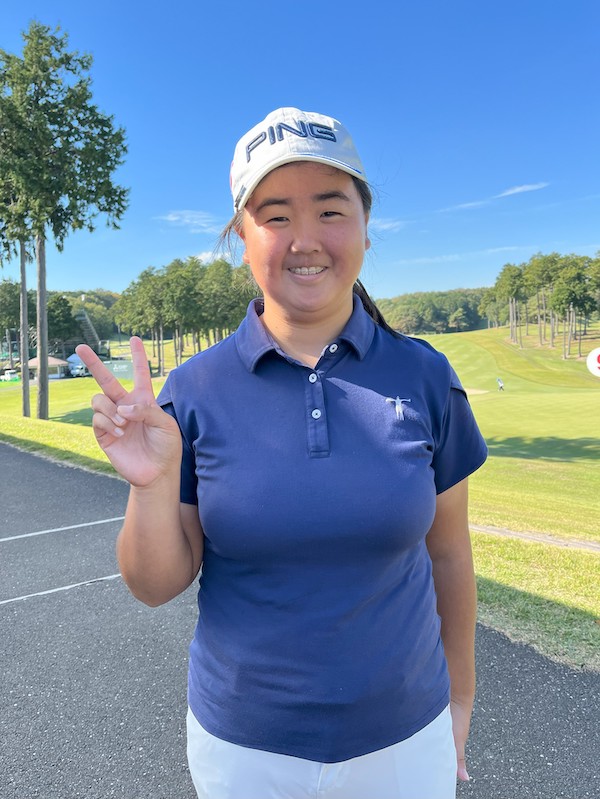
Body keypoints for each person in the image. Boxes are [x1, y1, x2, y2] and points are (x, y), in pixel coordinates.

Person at [77, 107, 487, 799]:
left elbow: (448, 553)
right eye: (275, 216)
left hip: (406, 736)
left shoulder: (424, 375)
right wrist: (149, 487)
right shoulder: (195, 389)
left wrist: (461, 697)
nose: (305, 240)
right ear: (242, 237)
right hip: (243, 747)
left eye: (330, 210)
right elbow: (153, 585)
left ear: (364, 226)